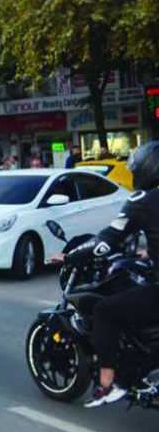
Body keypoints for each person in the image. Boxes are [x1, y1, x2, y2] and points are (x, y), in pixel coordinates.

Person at [76, 142, 159, 408]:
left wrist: (72, 256)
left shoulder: (143, 200)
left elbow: (107, 240)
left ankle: (108, 383)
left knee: (105, 312)